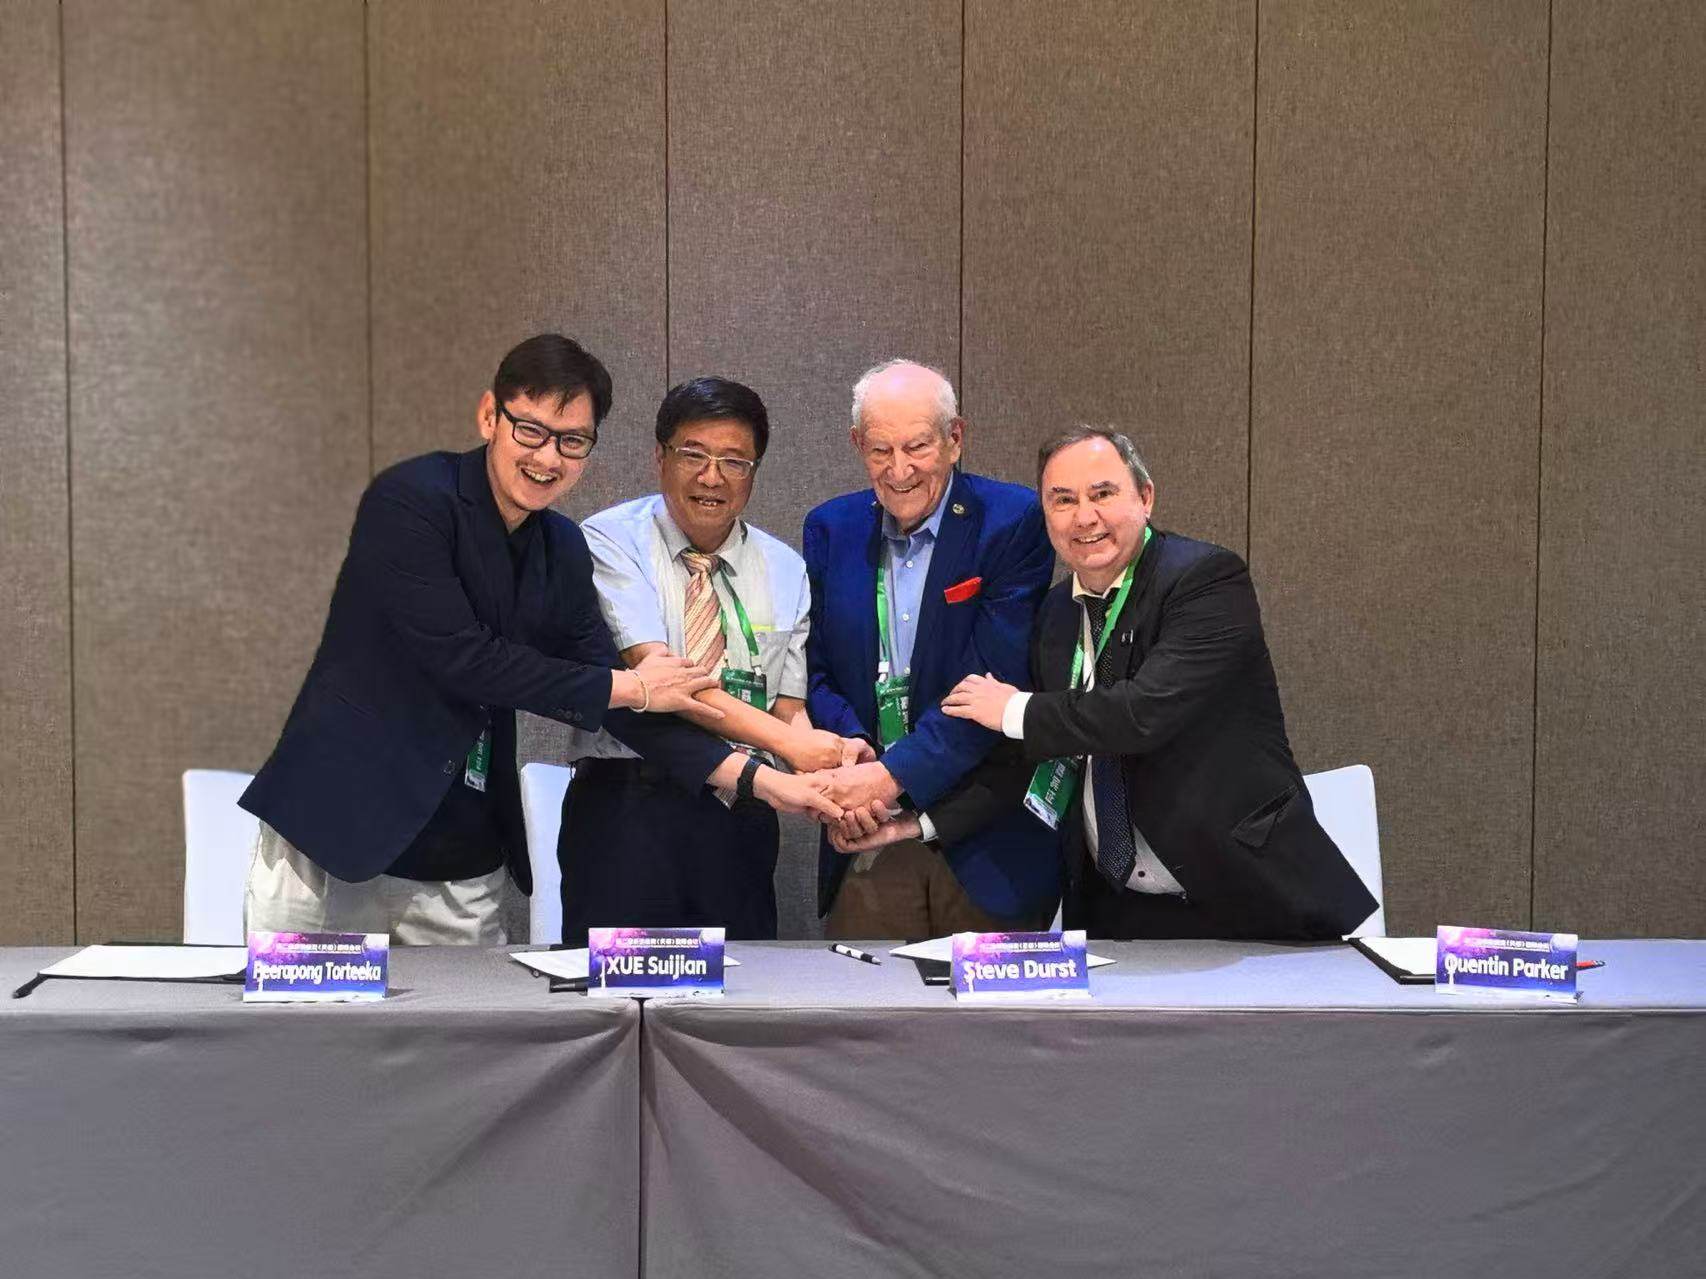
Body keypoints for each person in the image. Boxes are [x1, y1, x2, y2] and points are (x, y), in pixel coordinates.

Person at [240, 335, 839, 944]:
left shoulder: (560, 547)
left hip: (463, 843)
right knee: (301, 1028)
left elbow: (629, 710)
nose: (548, 458)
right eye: (530, 430)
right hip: (337, 824)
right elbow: (464, 659)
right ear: (488, 417)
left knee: (471, 1035)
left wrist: (766, 781)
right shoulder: (413, 500)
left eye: (572, 441)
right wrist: (630, 685)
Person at [835, 426, 1376, 940]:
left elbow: (1143, 713)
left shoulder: (1205, 580)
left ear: (1146, 497)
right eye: (1062, 500)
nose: (1084, 517)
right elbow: (1025, 762)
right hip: (1119, 910)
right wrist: (915, 824)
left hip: (1243, 897)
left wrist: (1014, 709)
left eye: (1102, 493)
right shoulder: (1054, 616)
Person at [558, 376, 865, 944]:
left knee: (737, 998)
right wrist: (793, 745)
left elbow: (787, 709)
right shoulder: (607, 539)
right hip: (628, 801)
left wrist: (832, 764)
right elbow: (666, 680)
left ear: (753, 472)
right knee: (616, 997)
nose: (712, 476)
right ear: (660, 456)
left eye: (734, 461)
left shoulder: (785, 567)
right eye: (693, 455)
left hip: (742, 810)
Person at [802, 359, 1058, 938]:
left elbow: (993, 684)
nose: (899, 470)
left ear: (954, 439)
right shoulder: (830, 528)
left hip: (984, 840)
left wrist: (890, 776)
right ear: (856, 445)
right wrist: (855, 758)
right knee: (866, 1020)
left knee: (995, 1028)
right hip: (866, 833)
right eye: (879, 450)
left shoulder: (1011, 520)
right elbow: (816, 671)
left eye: (917, 446)